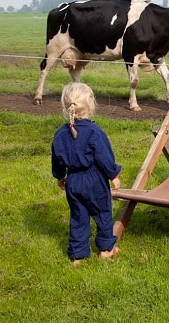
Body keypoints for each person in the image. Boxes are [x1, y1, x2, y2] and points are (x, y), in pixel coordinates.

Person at [51, 82, 122, 264]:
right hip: (94, 179)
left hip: (73, 181)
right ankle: (106, 249)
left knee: (78, 217)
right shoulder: (94, 132)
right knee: (102, 213)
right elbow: (104, 156)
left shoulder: (60, 134)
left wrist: (60, 176)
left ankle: (78, 255)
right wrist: (113, 175)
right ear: (90, 105)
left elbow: (57, 158)